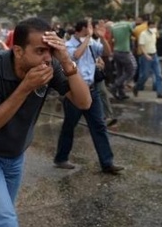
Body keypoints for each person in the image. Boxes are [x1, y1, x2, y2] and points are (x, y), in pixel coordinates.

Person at [0, 18, 91, 227]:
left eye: (50, 50)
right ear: (18, 51)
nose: (47, 57)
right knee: (5, 222)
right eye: (40, 50)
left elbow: (84, 102)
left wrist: (67, 63)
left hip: (14, 155)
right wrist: (26, 87)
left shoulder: (51, 66)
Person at [53, 19, 123, 174]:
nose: (91, 30)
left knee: (99, 126)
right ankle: (61, 158)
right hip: (75, 92)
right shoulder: (69, 45)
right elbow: (76, 56)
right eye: (90, 27)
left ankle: (107, 162)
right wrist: (88, 40)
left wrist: (102, 37)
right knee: (69, 126)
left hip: (92, 90)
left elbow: (107, 52)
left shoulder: (91, 43)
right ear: (83, 29)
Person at [134, 19, 162, 99]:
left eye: (154, 26)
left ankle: (160, 93)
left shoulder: (154, 33)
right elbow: (141, 46)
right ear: (148, 26)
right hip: (145, 56)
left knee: (159, 75)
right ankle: (137, 87)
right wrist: (146, 55)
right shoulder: (143, 34)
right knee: (145, 75)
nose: (153, 28)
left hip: (154, 55)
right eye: (151, 26)